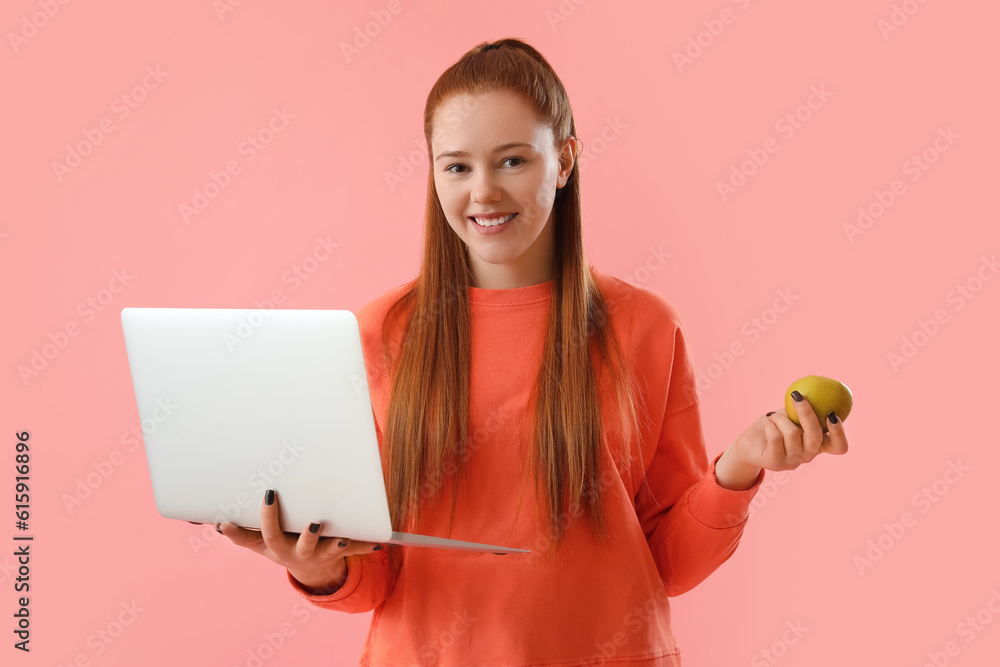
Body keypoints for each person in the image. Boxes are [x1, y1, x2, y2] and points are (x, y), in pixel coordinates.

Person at [216, 38, 850, 665]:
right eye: (457, 166)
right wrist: (319, 568)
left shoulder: (648, 327)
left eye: (513, 161)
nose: (483, 192)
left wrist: (737, 467)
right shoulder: (377, 333)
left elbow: (667, 562)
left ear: (565, 159)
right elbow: (372, 577)